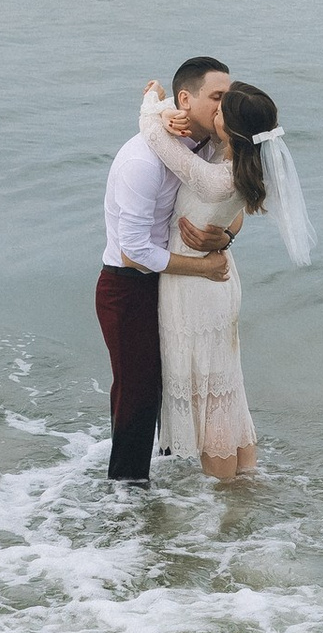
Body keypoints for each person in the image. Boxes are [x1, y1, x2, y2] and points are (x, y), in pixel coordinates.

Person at [137, 72, 316, 479]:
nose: (215, 110)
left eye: (222, 110)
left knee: (210, 395)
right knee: (226, 385)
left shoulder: (217, 178)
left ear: (231, 130)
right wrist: (171, 111)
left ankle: (224, 496)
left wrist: (153, 100)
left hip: (194, 287)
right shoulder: (237, 159)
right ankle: (246, 479)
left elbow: (154, 136)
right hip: (215, 281)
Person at [97, 55, 234, 483]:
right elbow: (134, 253)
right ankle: (126, 495)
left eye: (229, 97)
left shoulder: (207, 145)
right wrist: (204, 267)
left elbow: (234, 204)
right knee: (139, 394)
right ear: (185, 101)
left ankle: (167, 482)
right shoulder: (142, 161)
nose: (225, 107)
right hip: (127, 287)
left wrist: (225, 237)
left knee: (175, 383)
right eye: (217, 97)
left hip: (168, 283)